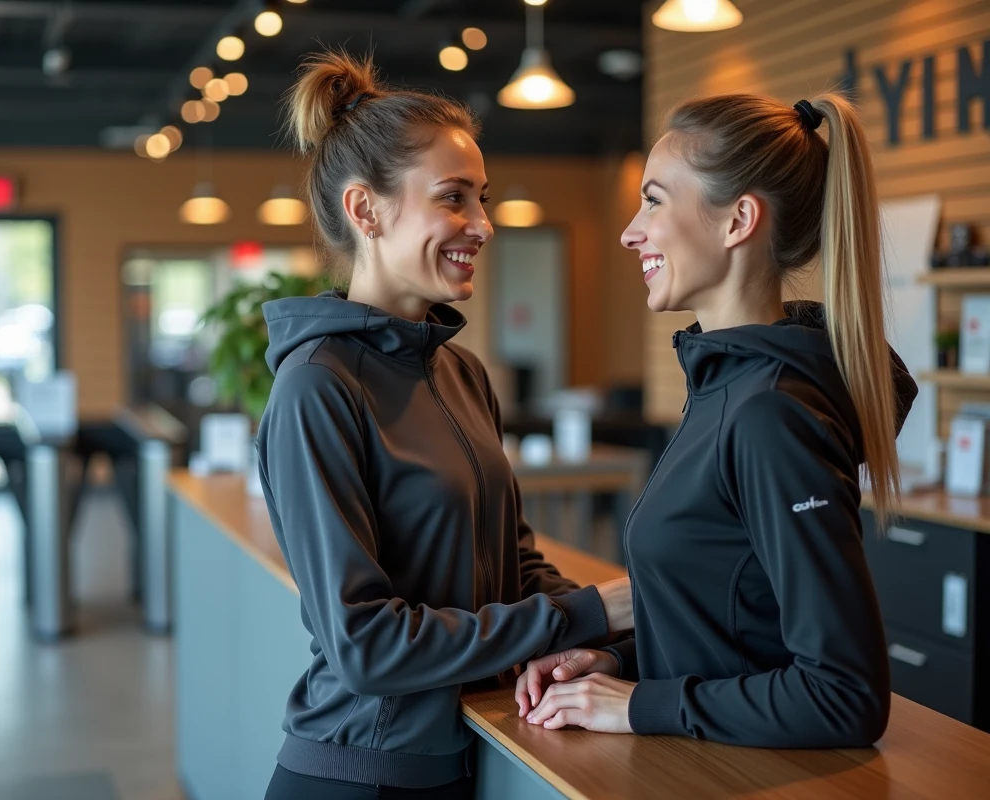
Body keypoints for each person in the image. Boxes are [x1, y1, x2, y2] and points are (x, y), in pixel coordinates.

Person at [255, 51, 632, 799]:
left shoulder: (462, 373)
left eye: (482, 199)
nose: (483, 225)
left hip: (461, 760)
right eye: (453, 198)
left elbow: (514, 565)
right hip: (361, 775)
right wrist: (590, 610)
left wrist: (607, 636)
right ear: (366, 211)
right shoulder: (317, 387)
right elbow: (366, 647)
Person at [516, 93, 918, 748]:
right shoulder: (722, 383)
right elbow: (739, 626)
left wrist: (639, 704)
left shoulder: (770, 414)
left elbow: (844, 696)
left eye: (653, 201)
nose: (630, 232)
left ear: (738, 221)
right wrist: (620, 663)